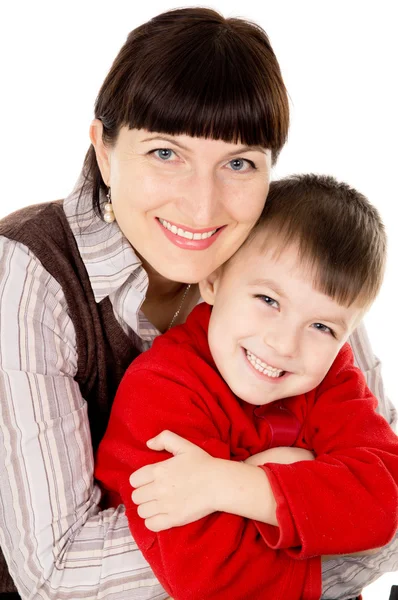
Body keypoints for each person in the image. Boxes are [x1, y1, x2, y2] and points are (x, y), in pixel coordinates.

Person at [0, 6, 396, 600]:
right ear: (104, 152)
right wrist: (304, 490)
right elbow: (59, 572)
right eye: (165, 153)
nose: (203, 207)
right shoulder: (29, 273)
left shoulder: (291, 261)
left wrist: (239, 486)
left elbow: (389, 505)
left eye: (238, 163)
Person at [95, 174, 398, 600]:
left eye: (322, 326)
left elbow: (386, 503)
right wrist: (314, 484)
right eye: (268, 301)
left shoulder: (331, 374)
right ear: (214, 281)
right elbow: (215, 579)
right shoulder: (162, 389)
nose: (283, 344)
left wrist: (234, 484)